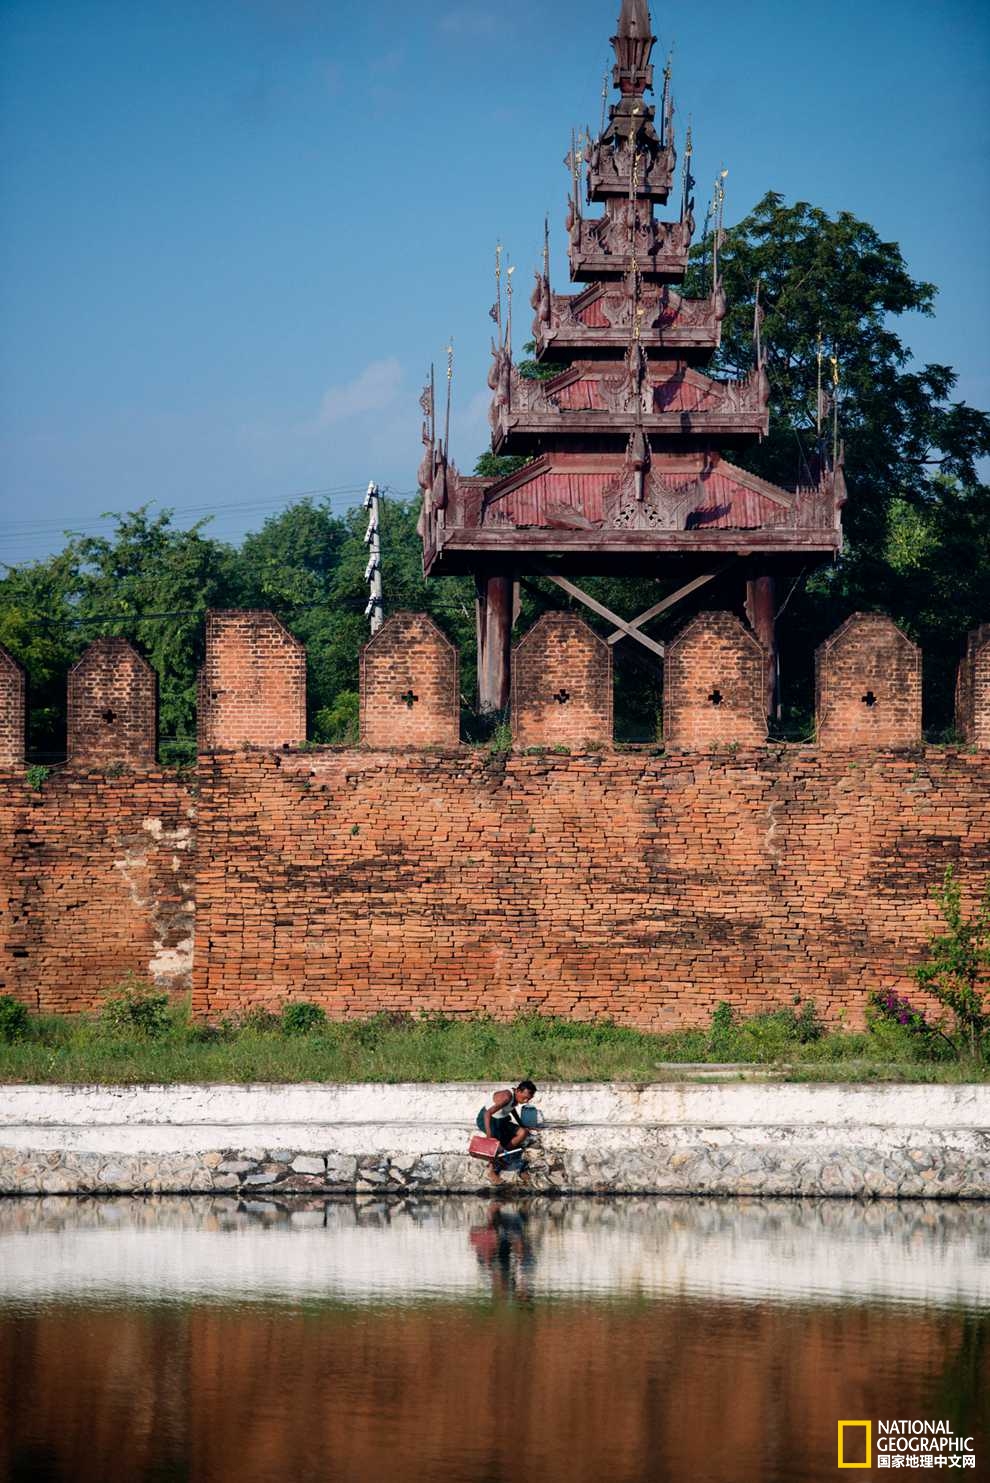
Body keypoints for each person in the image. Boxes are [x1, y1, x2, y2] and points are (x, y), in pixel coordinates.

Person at [478, 1080, 538, 1184]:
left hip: (501, 1120)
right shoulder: (507, 1097)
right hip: (488, 1120)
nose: (526, 1101)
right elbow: (487, 1114)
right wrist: (489, 1136)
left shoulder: (515, 1098)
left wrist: (522, 1125)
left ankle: (501, 1155)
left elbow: (511, 1108)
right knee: (495, 1142)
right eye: (525, 1097)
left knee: (522, 1133)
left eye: (529, 1099)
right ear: (518, 1091)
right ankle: (491, 1171)